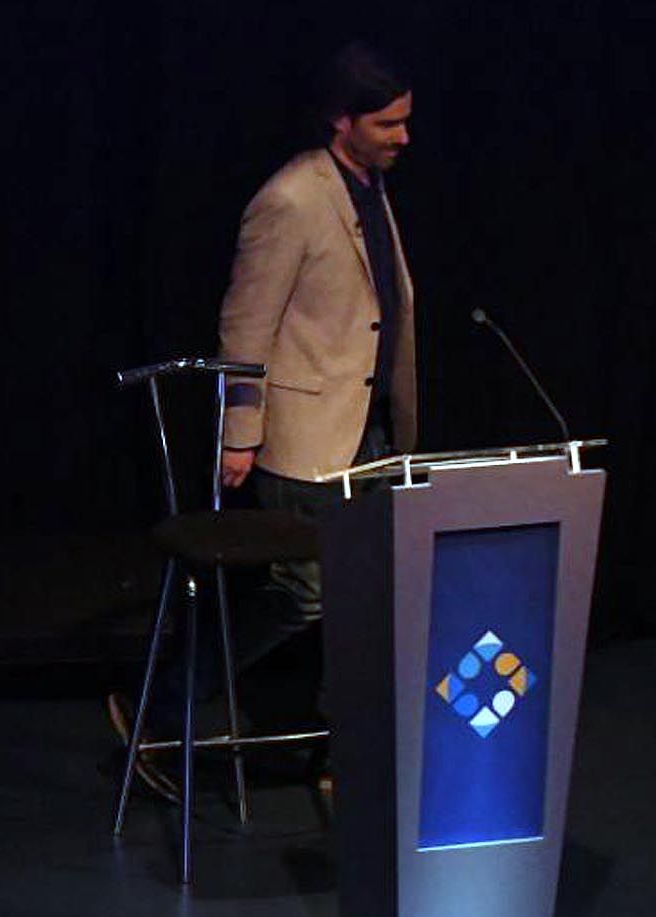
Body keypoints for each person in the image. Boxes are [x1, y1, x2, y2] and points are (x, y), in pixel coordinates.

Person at [112, 44, 419, 783]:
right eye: (387, 123)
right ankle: (160, 703)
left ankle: (347, 742)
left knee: (364, 595)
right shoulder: (291, 198)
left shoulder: (369, 187)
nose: (402, 136)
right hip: (307, 432)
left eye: (406, 121)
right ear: (341, 122)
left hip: (370, 430)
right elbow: (245, 328)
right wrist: (240, 434)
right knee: (303, 594)